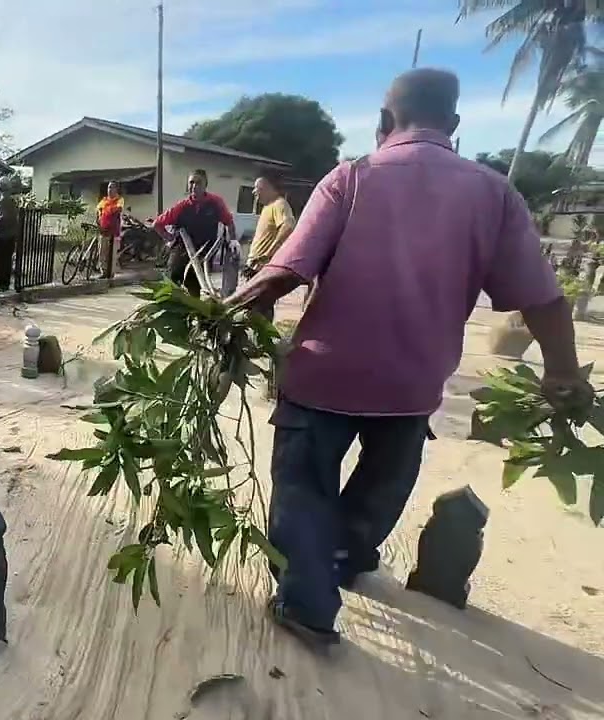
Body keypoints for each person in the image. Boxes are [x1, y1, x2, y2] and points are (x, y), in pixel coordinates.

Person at [226, 68, 593, 650]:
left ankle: (308, 603)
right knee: (382, 485)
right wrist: (563, 371)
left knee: (303, 486)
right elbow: (543, 297)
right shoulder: (493, 192)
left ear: (381, 123)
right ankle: (345, 557)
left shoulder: (350, 178)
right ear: (452, 124)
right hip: (413, 383)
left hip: (325, 374)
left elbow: (285, 271)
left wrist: (226, 311)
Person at [151, 169, 236, 296]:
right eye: (191, 182)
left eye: (198, 183)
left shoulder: (216, 203)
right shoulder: (181, 206)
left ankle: (192, 311)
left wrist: (233, 242)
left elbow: (229, 223)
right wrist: (168, 237)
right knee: (172, 282)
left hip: (204, 252)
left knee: (195, 286)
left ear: (205, 184)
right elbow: (157, 224)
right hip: (181, 251)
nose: (194, 186)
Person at [241, 171, 296, 321]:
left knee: (260, 309)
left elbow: (288, 225)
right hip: (255, 268)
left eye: (256, 187)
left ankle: (263, 343)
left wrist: (269, 254)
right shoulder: (268, 207)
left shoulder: (279, 204)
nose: (254, 192)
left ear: (267, 187)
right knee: (252, 308)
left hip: (263, 269)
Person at [0, 179, 20, 292]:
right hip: (11, 236)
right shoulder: (13, 202)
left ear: (0, 188)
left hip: (2, 236)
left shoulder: (1, 202)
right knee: (7, 261)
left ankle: (2, 284)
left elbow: (1, 218)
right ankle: (6, 284)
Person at [96, 181, 124, 278]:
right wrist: (100, 216)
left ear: (116, 189)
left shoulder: (119, 200)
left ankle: (110, 274)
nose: (110, 190)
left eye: (112, 187)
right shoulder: (104, 200)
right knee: (102, 253)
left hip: (114, 232)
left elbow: (118, 209)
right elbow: (99, 211)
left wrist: (107, 210)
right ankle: (103, 272)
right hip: (103, 230)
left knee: (111, 255)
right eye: (108, 187)